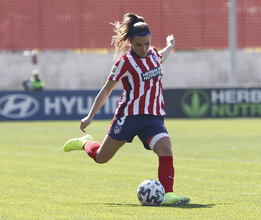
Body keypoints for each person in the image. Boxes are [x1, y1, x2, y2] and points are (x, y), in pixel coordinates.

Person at [63, 13, 190, 205]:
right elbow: (106, 90)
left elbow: (161, 56)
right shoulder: (124, 63)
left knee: (165, 149)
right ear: (130, 42)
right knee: (101, 157)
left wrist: (170, 44)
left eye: (147, 43)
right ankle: (85, 143)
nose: (144, 48)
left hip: (153, 117)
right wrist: (90, 116)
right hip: (128, 117)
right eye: (138, 45)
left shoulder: (153, 53)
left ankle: (168, 195)